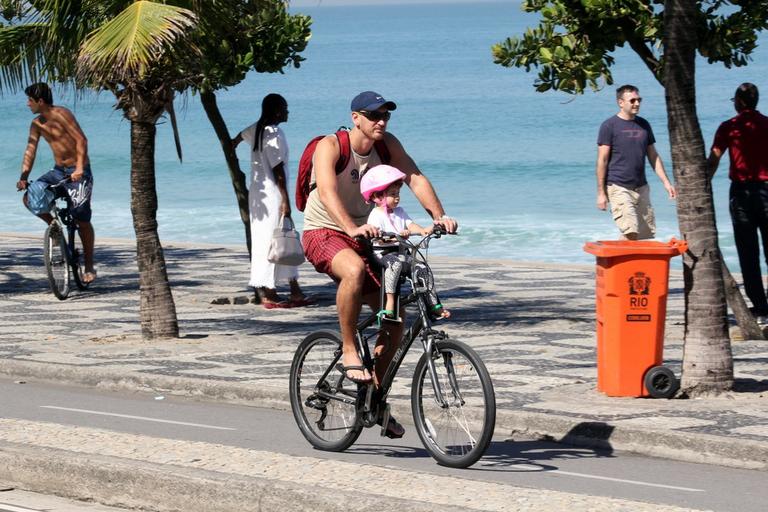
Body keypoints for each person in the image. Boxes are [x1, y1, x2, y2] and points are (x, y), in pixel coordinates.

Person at [301, 91, 457, 438]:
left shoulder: (387, 145)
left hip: (366, 234)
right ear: (356, 116)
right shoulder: (332, 146)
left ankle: (374, 399)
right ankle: (347, 347)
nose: (381, 122)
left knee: (395, 322)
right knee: (353, 271)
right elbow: (327, 191)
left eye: (385, 116)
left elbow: (414, 177)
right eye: (374, 116)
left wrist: (439, 216)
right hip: (323, 231)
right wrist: (351, 228)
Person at [232, 93, 309, 309]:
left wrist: (232, 153)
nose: (287, 111)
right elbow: (278, 171)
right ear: (276, 111)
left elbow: (236, 139)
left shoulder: (256, 129)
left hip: (258, 196)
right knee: (283, 238)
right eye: (284, 108)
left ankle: (286, 290)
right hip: (273, 194)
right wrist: (285, 199)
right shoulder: (273, 133)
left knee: (267, 240)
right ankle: (276, 292)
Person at [16, 82, 97, 283]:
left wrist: (79, 168)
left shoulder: (62, 114)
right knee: (30, 198)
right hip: (58, 172)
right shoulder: (36, 124)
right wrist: (24, 177)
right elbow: (30, 150)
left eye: (30, 100)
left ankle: (88, 265)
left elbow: (82, 140)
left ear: (40, 101)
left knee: (81, 218)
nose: (27, 104)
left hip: (78, 171)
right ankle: (54, 227)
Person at [707, 83, 768, 321]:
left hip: (742, 193)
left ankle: (761, 305)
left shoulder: (729, 127)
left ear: (739, 102)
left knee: (748, 251)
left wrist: (702, 186)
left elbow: (713, 160)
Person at [360, 164, 450, 324]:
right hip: (384, 254)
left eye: (398, 193)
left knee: (422, 268)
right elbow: (378, 237)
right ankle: (389, 304)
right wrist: (394, 237)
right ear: (377, 197)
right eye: (393, 194)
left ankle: (434, 304)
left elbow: (410, 225)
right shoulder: (376, 215)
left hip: (402, 251)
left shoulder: (399, 212)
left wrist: (423, 230)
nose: (397, 197)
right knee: (394, 266)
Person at [596, 84, 676, 240]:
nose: (637, 103)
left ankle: (619, 260)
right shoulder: (609, 126)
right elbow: (602, 160)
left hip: (641, 187)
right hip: (618, 186)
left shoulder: (644, 125)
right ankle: (620, 263)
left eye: (639, 100)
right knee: (630, 230)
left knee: (642, 235)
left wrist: (666, 183)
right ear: (621, 102)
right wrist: (601, 193)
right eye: (632, 100)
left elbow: (653, 156)